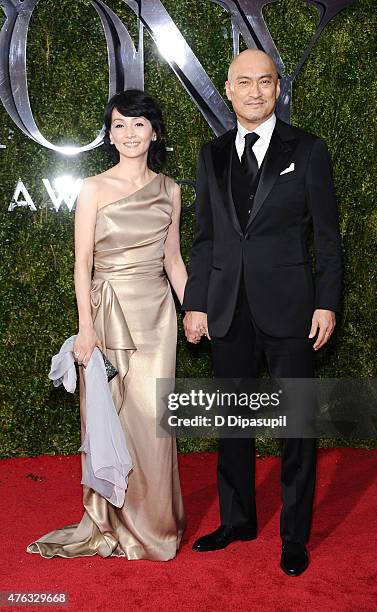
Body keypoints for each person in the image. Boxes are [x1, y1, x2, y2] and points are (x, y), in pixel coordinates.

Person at [183, 49, 342, 576]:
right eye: (244, 82)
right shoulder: (212, 155)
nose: (255, 91)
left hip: (292, 307)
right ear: (228, 90)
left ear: (278, 89)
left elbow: (327, 236)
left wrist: (326, 301)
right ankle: (238, 521)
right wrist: (197, 303)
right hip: (227, 308)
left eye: (265, 82)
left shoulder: (310, 150)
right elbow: (205, 239)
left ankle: (294, 536)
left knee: (296, 425)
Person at [27, 89, 187, 561]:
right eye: (119, 124)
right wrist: (86, 327)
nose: (129, 133)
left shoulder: (170, 190)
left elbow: (174, 260)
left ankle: (155, 524)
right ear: (110, 134)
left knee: (155, 426)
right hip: (106, 315)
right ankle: (110, 522)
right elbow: (82, 264)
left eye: (138, 124)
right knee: (111, 421)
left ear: (153, 131)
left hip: (156, 318)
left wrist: (198, 309)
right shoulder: (93, 187)